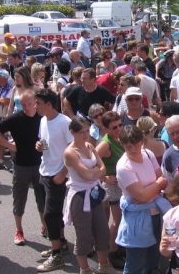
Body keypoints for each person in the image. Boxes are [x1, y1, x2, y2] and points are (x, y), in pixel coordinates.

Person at [0, 89, 45, 247]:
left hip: (40, 164)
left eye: (30, 104)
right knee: (19, 199)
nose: (26, 107)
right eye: (23, 104)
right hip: (21, 165)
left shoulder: (43, 118)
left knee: (42, 198)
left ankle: (44, 226)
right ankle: (19, 230)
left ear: (36, 103)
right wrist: (9, 145)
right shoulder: (16, 118)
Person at [115, 125, 170, 274]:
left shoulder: (148, 154)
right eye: (128, 146)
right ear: (123, 144)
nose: (133, 149)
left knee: (154, 259)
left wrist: (150, 190)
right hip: (137, 218)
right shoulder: (123, 167)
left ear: (142, 141)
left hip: (155, 214)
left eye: (136, 144)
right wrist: (155, 187)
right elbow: (143, 195)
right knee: (135, 262)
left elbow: (162, 179)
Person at [63, 117, 110, 274]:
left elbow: (101, 166)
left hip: (95, 193)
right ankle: (85, 269)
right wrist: (96, 173)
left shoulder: (89, 146)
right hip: (80, 196)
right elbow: (86, 175)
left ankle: (104, 266)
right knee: (84, 235)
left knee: (102, 230)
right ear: (72, 133)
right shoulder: (70, 152)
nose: (85, 135)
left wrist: (94, 173)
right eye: (81, 132)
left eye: (87, 131)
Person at [34, 88, 73, 272]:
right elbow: (44, 141)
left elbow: (74, 149)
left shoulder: (65, 122)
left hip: (58, 174)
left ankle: (56, 255)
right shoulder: (42, 120)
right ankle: (62, 241)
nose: (36, 106)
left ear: (49, 104)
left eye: (38, 103)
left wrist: (63, 173)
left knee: (50, 214)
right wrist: (38, 145)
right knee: (51, 211)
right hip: (45, 171)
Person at [95, 111, 126, 269]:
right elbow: (91, 163)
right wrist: (104, 177)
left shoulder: (120, 138)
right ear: (106, 129)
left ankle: (116, 246)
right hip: (112, 185)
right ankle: (112, 252)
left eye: (120, 125)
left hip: (122, 184)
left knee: (119, 218)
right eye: (114, 127)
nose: (119, 129)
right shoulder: (105, 144)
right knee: (117, 219)